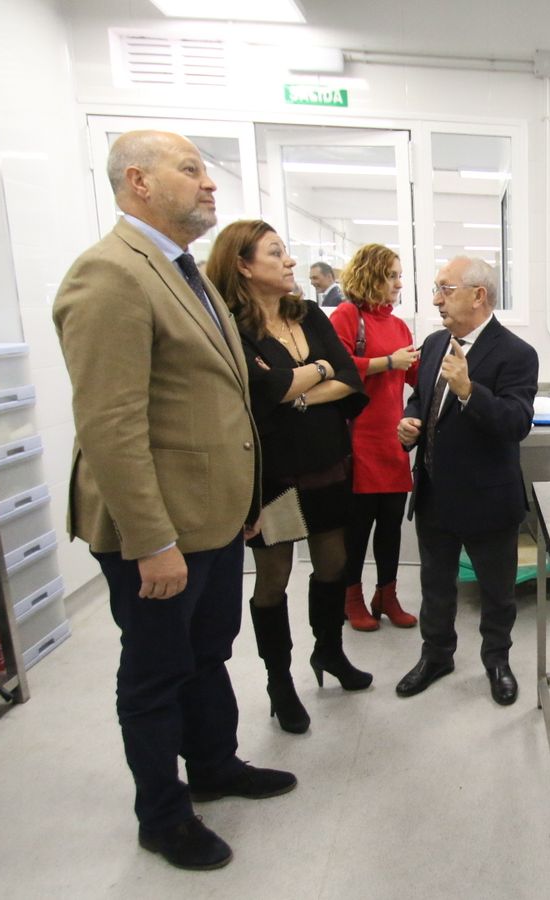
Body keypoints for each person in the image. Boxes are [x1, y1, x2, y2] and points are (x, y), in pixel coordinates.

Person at [52, 130, 294, 871]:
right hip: (157, 529)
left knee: (208, 653)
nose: (209, 185)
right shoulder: (109, 276)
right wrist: (150, 540)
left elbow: (216, 403)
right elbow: (110, 425)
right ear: (139, 181)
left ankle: (215, 766)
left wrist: (245, 501)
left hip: (213, 517)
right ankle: (162, 814)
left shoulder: (183, 272)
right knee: (156, 672)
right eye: (191, 171)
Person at [205, 220, 373, 736]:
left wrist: (300, 389)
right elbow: (262, 390)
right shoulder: (232, 327)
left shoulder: (310, 315)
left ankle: (330, 653)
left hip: (327, 463)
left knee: (334, 563)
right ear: (243, 264)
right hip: (273, 474)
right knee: (273, 577)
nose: (290, 262)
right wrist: (317, 374)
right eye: (276, 253)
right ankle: (280, 680)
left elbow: (348, 377)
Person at [394, 256, 539, 706]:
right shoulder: (436, 343)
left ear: (478, 295)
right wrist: (409, 421)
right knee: (435, 587)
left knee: (498, 592)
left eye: (445, 288)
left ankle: (497, 660)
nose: (436, 299)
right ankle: (436, 655)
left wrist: (469, 392)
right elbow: (420, 399)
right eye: (437, 289)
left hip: (487, 501)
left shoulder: (516, 354)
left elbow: (516, 422)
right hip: (434, 493)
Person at [329, 243, 422, 632]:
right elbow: (335, 366)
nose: (400, 284)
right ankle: (352, 598)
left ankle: (387, 594)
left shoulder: (399, 326)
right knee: (357, 529)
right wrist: (388, 362)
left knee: (390, 526)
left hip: (392, 442)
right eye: (393, 276)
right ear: (372, 275)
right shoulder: (348, 316)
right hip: (358, 442)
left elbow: (415, 378)